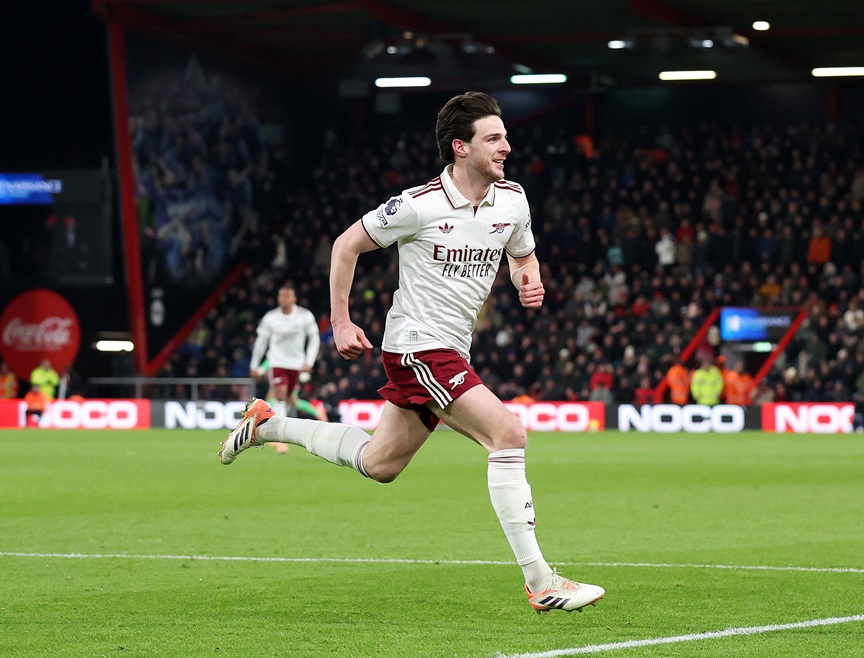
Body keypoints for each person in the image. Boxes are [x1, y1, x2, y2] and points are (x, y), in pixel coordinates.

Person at [219, 92, 604, 613]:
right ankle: (541, 581)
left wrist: (526, 279)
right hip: (417, 346)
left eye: (505, 136)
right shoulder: (418, 205)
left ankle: (269, 425)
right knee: (508, 433)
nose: (507, 147)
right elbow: (345, 245)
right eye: (494, 138)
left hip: (451, 350)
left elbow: (523, 255)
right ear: (459, 148)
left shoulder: (512, 200)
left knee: (379, 464)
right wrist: (339, 321)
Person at [249, 285, 321, 453]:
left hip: (296, 363)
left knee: (290, 399)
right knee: (279, 395)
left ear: (294, 299)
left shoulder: (304, 315)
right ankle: (281, 438)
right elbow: (261, 343)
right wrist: (255, 366)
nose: (282, 299)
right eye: (280, 296)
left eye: (286, 296)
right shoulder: (271, 317)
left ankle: (310, 416)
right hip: (277, 361)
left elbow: (314, 338)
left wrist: (309, 362)